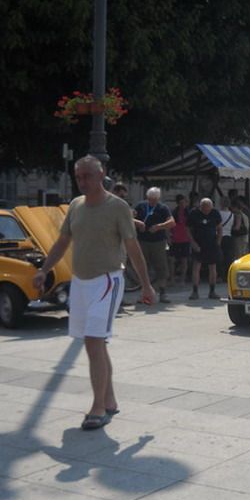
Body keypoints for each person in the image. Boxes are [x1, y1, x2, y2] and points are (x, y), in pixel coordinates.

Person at [32, 155, 155, 430]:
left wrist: (146, 285)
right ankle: (109, 400)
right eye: (78, 177)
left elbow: (133, 249)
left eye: (87, 175)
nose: (82, 181)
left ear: (102, 175)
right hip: (80, 283)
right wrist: (44, 269)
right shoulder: (76, 206)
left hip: (107, 281)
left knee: (92, 341)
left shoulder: (118, 207)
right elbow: (62, 241)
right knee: (96, 345)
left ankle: (98, 408)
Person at [133, 187, 174, 303]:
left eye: (155, 199)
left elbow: (172, 222)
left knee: (161, 267)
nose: (152, 202)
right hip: (143, 241)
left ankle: (163, 293)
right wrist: (138, 224)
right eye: (151, 199)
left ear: (158, 198)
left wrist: (159, 227)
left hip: (158, 242)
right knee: (142, 267)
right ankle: (143, 293)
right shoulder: (140, 206)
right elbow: (129, 217)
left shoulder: (163, 208)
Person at [187, 197, 222, 299]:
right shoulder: (194, 213)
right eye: (204, 208)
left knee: (212, 267)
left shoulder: (215, 213)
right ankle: (195, 291)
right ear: (201, 207)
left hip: (212, 243)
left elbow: (220, 228)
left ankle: (212, 291)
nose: (207, 211)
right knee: (196, 266)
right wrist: (193, 243)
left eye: (209, 208)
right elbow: (188, 229)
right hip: (198, 243)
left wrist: (218, 242)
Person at [169, 193, 191, 286]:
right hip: (175, 238)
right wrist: (169, 237)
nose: (183, 204)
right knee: (172, 259)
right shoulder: (174, 212)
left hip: (185, 238)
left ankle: (182, 278)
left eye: (184, 202)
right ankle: (172, 278)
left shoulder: (189, 212)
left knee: (184, 259)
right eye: (181, 202)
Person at [218, 197, 235, 281]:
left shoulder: (218, 213)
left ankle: (220, 275)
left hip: (219, 236)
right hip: (228, 236)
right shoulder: (232, 214)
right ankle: (227, 276)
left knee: (219, 257)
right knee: (228, 257)